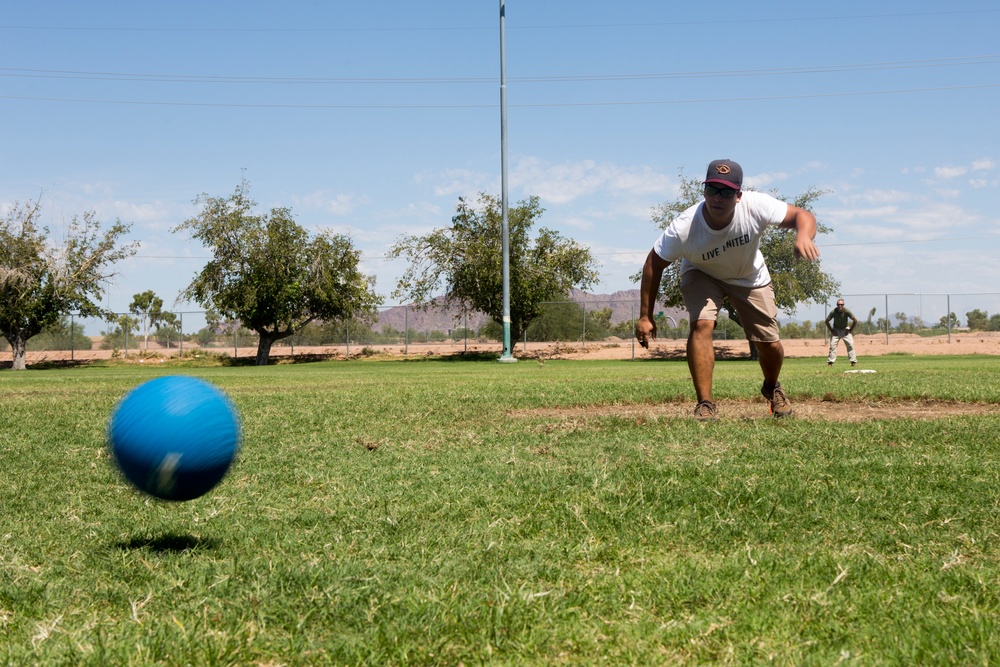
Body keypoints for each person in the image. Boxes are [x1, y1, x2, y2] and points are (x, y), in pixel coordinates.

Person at [635, 159, 820, 420]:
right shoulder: (684, 227)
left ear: (739, 195)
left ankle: (771, 387)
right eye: (712, 189)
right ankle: (705, 404)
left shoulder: (756, 206)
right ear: (704, 191)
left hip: (749, 277)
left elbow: (804, 216)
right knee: (702, 325)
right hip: (701, 272)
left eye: (726, 192)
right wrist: (645, 316)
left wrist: (803, 235)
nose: (717, 198)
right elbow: (653, 263)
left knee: (769, 343)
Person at [825, 299, 858, 366]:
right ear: (837, 305)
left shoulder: (847, 311)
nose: (840, 306)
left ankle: (853, 362)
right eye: (838, 305)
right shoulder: (833, 312)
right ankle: (830, 362)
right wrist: (832, 331)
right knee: (832, 346)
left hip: (845, 329)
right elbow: (826, 321)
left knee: (850, 345)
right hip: (836, 330)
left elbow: (855, 320)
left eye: (841, 305)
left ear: (843, 305)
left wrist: (850, 330)